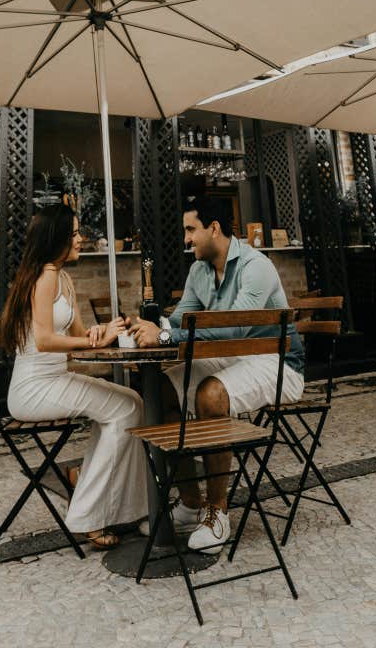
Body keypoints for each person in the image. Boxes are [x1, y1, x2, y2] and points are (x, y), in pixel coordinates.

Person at [129, 195, 305, 554]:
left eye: (190, 230)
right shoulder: (199, 271)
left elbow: (233, 328)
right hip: (234, 358)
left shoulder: (256, 267)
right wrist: (144, 327)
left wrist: (164, 337)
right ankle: (191, 503)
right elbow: (180, 320)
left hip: (278, 362)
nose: (186, 239)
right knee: (162, 389)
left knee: (210, 394)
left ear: (213, 228)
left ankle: (218, 511)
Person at [1, 204, 147, 549]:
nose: (81, 239)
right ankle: (88, 514)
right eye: (75, 233)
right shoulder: (45, 276)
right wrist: (95, 340)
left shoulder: (63, 277)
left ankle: (93, 485)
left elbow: (79, 337)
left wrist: (104, 331)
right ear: (57, 238)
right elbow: (45, 340)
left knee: (132, 402)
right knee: (126, 408)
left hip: (55, 379)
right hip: (34, 388)